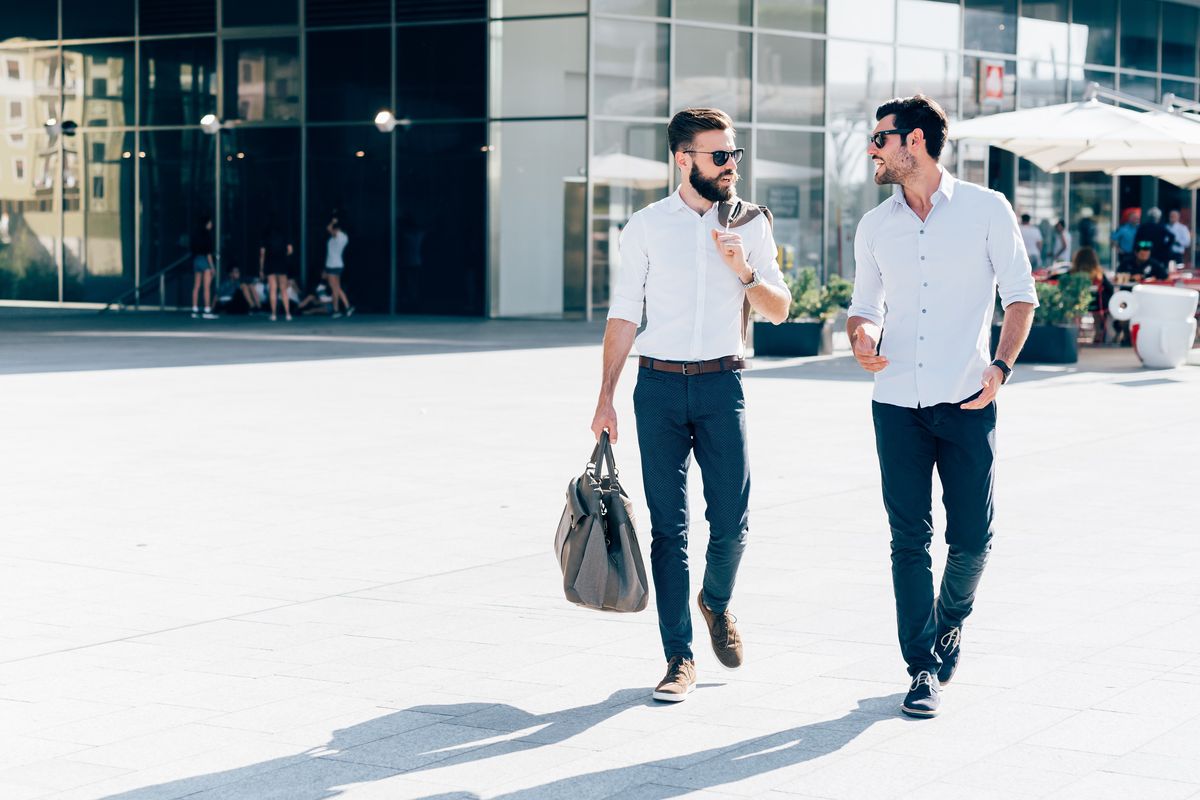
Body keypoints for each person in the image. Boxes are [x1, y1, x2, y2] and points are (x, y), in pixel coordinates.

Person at [590, 107, 790, 703]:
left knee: (732, 521)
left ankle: (717, 600)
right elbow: (624, 314)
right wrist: (604, 397)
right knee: (668, 531)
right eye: (719, 155)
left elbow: (779, 309)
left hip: (721, 386)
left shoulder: (751, 222)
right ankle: (678, 658)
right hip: (656, 390)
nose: (731, 166)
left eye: (735, 155)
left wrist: (745, 270)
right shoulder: (647, 225)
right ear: (684, 159)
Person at [849, 95, 1037, 718]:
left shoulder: (987, 210)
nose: (872, 148)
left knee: (973, 538)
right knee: (908, 539)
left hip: (966, 397)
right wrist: (861, 336)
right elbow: (864, 306)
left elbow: (1020, 297)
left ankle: (950, 618)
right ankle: (921, 665)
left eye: (881, 138)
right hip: (896, 402)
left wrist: (1001, 366)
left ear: (918, 141)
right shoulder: (875, 225)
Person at [1069, 247, 1114, 343]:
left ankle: (1074, 333)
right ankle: (1098, 333)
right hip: (1097, 305)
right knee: (1100, 309)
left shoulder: (1073, 273)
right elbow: (1110, 289)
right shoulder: (1099, 274)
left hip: (1078, 304)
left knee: (1073, 309)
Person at [259, 221, 294, 321]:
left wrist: (261, 269)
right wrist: (284, 255)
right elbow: (290, 250)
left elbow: (262, 254)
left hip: (270, 263)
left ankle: (274, 314)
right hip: (281, 263)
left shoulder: (266, 236)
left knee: (273, 289)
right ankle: (288, 314)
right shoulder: (284, 235)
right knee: (283, 289)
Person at [325, 216, 354, 318]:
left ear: (337, 228)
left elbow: (328, 228)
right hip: (339, 264)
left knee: (334, 288)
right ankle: (347, 306)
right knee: (337, 287)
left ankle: (336, 310)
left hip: (332, 264)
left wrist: (332, 222)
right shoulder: (345, 237)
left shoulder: (337, 235)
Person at [190, 216, 217, 319]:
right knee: (206, 287)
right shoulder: (207, 236)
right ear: (206, 224)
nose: (211, 225)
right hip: (205, 260)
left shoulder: (195, 235)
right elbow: (209, 254)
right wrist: (212, 267)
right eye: (210, 223)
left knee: (196, 286)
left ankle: (194, 308)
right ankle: (207, 309)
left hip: (196, 260)